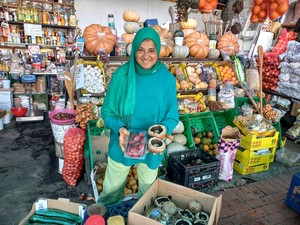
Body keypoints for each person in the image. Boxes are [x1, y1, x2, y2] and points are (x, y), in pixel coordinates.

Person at [97, 27, 179, 206]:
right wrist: (120, 128)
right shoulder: (121, 75)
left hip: (152, 145)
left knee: (148, 194)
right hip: (122, 141)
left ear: (157, 51)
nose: (145, 56)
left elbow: (173, 115)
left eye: (151, 50)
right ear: (133, 50)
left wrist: (164, 129)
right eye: (140, 50)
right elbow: (107, 111)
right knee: (110, 191)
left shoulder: (167, 80)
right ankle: (107, 215)